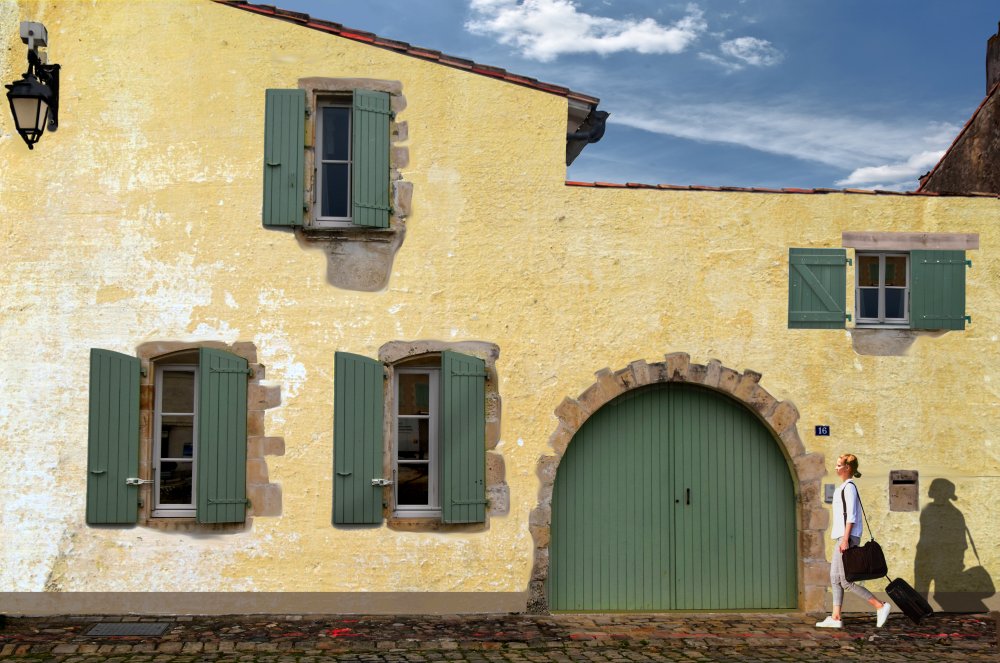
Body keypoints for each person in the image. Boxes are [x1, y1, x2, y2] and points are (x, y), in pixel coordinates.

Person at [815, 454, 893, 629]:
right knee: (835, 577)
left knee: (846, 580)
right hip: (843, 537)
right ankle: (836, 617)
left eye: (838, 465)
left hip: (847, 537)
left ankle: (880, 606)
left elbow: (851, 516)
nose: (836, 468)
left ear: (847, 468)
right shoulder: (843, 487)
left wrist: (845, 540)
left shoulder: (849, 488)